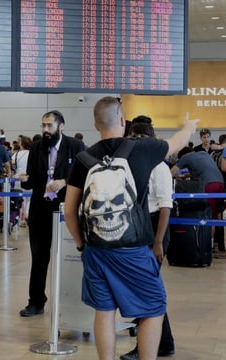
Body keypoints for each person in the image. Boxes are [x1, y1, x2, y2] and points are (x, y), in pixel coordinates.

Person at [64, 96, 198, 360]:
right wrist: (189, 126)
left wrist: (82, 244)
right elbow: (179, 142)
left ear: (95, 124)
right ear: (123, 121)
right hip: (133, 248)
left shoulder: (83, 158)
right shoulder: (143, 149)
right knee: (153, 308)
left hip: (96, 249)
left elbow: (70, 210)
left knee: (104, 310)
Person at [18, 111, 86, 317]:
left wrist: (65, 181)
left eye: (49, 126)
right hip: (40, 211)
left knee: (71, 256)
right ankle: (36, 301)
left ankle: (74, 300)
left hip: (67, 210)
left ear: (61, 126)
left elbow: (86, 175)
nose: (45, 130)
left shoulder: (76, 147)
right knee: (39, 258)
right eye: (43, 126)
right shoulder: (37, 148)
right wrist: (24, 179)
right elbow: (31, 181)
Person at [119, 120, 175, 360]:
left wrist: (158, 242)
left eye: (133, 137)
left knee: (146, 291)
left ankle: (148, 347)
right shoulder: (138, 165)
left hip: (155, 230)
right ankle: (164, 342)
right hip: (141, 227)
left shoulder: (158, 167)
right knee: (147, 290)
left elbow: (165, 207)